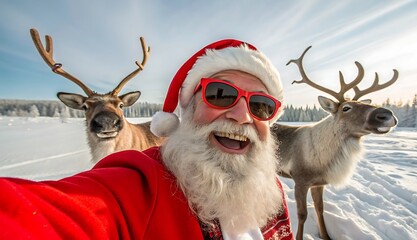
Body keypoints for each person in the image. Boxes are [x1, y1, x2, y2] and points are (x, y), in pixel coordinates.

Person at [0, 39, 293, 240]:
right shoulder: (141, 183)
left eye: (261, 106)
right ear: (187, 109)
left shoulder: (268, 190)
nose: (242, 115)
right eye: (220, 94)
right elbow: (61, 215)